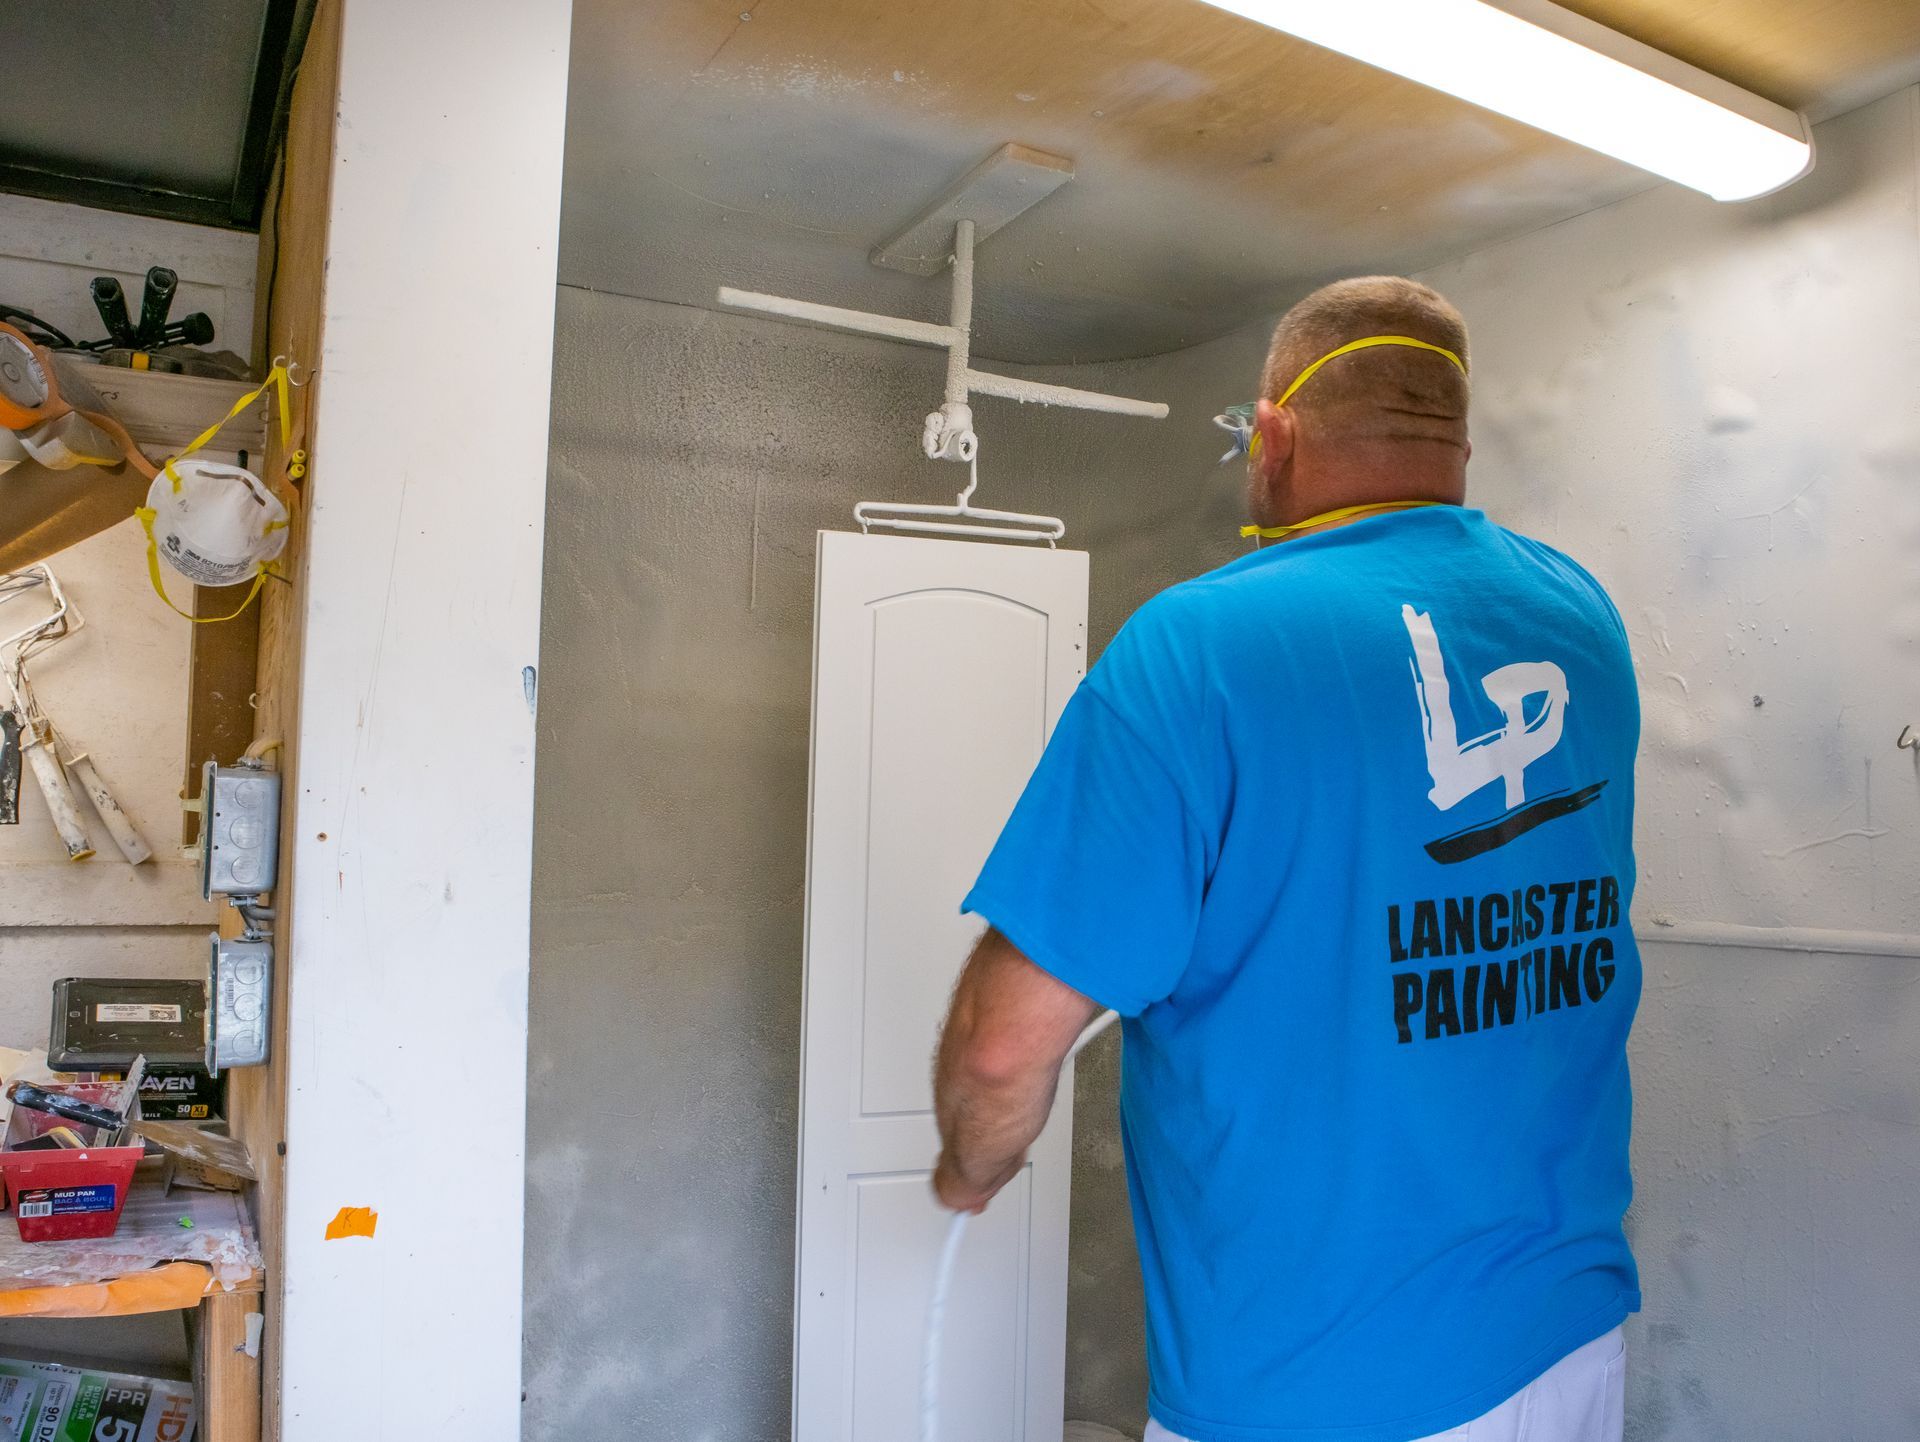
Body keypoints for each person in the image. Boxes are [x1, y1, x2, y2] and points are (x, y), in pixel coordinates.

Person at [931, 276, 1641, 1442]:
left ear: (1273, 435)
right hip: (1564, 1343)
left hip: (1313, 1388)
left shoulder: (1201, 642)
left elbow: (1004, 1045)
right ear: (1456, 440)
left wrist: (968, 1171)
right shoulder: (1582, 615)